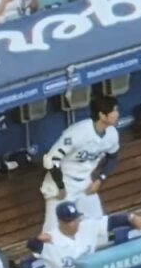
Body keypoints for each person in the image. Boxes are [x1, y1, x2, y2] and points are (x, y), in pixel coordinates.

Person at [40, 96, 120, 233]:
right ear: (102, 115)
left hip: (85, 182)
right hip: (61, 180)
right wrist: (60, 186)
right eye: (114, 111)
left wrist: (100, 179)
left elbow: (113, 157)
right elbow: (50, 159)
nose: (117, 114)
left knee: (98, 223)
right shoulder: (78, 132)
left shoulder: (112, 134)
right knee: (52, 231)